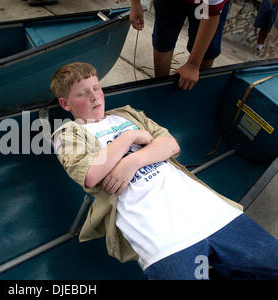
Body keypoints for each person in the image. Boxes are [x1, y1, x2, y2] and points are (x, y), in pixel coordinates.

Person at [50, 62, 278, 280]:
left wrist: (133, 162)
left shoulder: (127, 114)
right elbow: (90, 173)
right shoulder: (68, 133)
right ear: (65, 104)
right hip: (159, 237)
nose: (94, 97)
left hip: (208, 211)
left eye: (96, 88)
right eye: (82, 93)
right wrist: (130, 136)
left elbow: (171, 145)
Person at [130, 0, 231, 90]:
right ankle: (160, 87)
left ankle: (198, 89)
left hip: (206, 4)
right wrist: (135, 4)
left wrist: (193, 65)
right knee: (163, 37)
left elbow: (210, 14)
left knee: (207, 50)